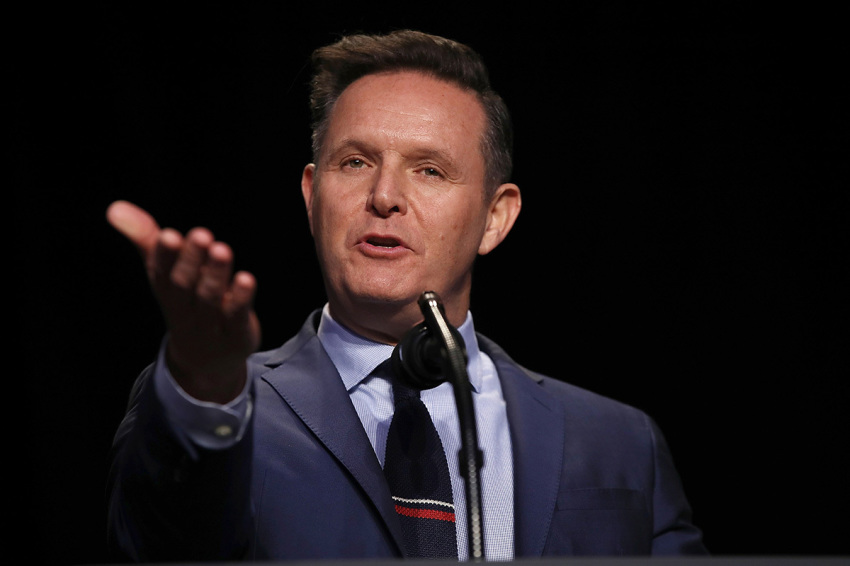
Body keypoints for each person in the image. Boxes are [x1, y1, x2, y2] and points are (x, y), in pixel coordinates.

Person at [106, 30, 707, 562]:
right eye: (356, 161)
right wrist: (206, 382)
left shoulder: (618, 442)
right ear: (313, 197)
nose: (385, 195)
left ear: (496, 218)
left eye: (429, 170)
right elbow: (161, 540)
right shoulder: (225, 409)